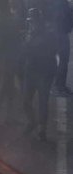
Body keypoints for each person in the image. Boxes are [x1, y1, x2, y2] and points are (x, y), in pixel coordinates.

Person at [22, 8, 57, 141]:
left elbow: (49, 52)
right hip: (30, 71)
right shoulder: (29, 34)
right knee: (26, 100)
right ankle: (31, 121)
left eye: (34, 21)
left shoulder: (48, 34)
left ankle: (42, 128)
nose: (32, 24)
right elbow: (24, 52)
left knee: (42, 101)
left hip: (44, 72)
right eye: (30, 21)